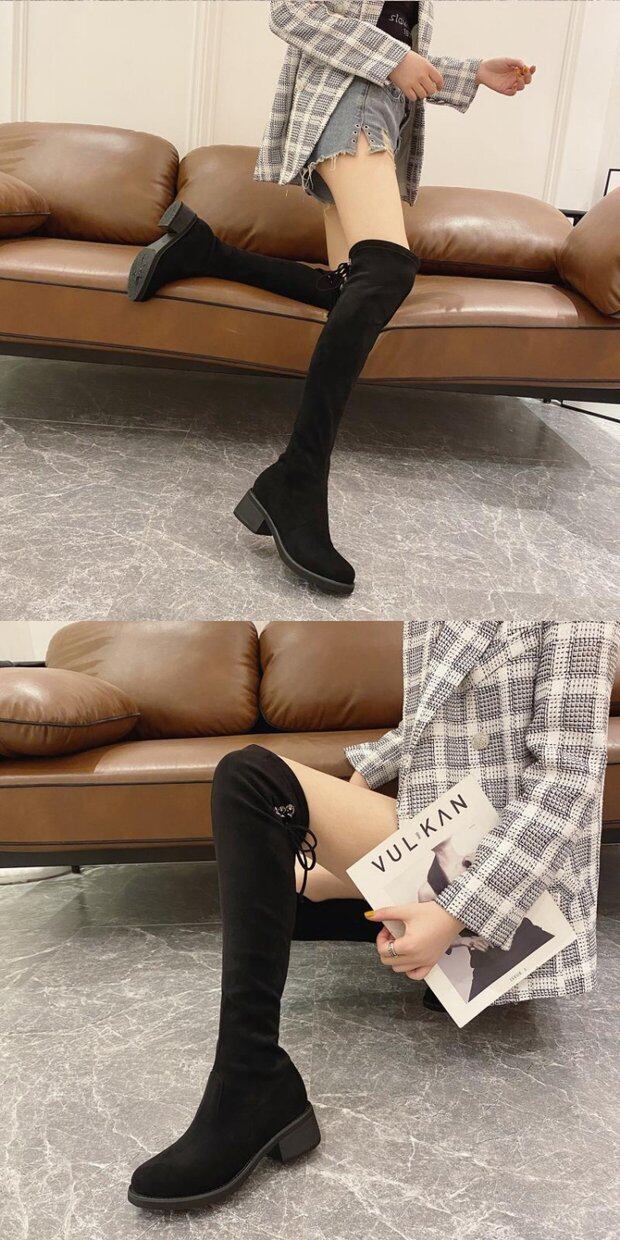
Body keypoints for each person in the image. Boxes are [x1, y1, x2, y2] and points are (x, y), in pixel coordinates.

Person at [127, 620, 618, 1212]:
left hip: (512, 874)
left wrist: (456, 910)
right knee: (273, 887)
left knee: (250, 780)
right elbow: (434, 713)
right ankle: (393, 934)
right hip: (442, 832)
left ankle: (252, 1080)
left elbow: (567, 780)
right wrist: (366, 772)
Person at [127, 2, 535, 596]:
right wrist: (392, 59)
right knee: (386, 274)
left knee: (350, 287)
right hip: (352, 103)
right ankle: (297, 477)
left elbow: (396, 41)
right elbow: (291, 11)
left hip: (381, 110)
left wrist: (472, 73)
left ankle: (202, 251)